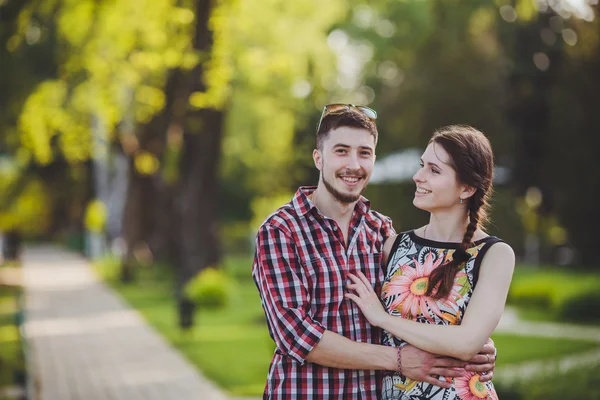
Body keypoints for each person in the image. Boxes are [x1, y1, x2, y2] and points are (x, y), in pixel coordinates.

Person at [252, 106, 496, 399]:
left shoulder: (381, 231)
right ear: (319, 158)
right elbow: (297, 336)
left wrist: (471, 345)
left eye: (364, 153)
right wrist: (397, 360)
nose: (354, 164)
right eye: (341, 151)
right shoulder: (281, 230)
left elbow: (415, 313)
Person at [345, 125, 515, 399]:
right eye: (422, 165)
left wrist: (382, 318)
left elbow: (466, 343)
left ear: (468, 187)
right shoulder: (393, 245)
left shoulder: (494, 254)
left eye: (434, 171)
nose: (417, 176)